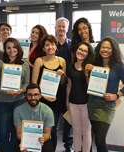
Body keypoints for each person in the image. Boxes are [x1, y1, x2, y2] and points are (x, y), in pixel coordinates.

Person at [85, 37, 124, 152]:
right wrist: (87, 74)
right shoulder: (95, 63)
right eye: (103, 47)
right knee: (95, 138)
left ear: (113, 50)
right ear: (99, 48)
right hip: (92, 104)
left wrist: (116, 95)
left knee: (100, 140)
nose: (105, 50)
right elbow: (90, 86)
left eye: (108, 48)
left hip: (107, 106)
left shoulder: (118, 66)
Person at [0, 38, 30, 152]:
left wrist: (21, 90)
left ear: (18, 49)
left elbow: (27, 83)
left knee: (16, 131)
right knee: (3, 131)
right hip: (2, 102)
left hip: (19, 102)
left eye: (14, 47)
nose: (11, 50)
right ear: (5, 49)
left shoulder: (25, 65)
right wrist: (6, 91)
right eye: (8, 48)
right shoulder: (0, 64)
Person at [32, 34, 66, 151]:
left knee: (53, 128)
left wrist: (62, 75)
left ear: (56, 46)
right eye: (47, 45)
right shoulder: (39, 61)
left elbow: (62, 83)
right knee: (40, 127)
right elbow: (34, 83)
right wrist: (43, 96)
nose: (50, 47)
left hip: (56, 100)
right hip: (41, 100)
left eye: (52, 44)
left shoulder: (62, 61)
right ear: (43, 48)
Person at [66, 42, 94, 152]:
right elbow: (69, 85)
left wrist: (88, 73)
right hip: (73, 103)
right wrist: (67, 101)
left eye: (84, 51)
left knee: (86, 131)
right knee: (76, 131)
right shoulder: (70, 68)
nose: (81, 52)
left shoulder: (90, 68)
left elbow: (93, 87)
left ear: (88, 54)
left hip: (86, 103)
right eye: (80, 49)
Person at [13, 83, 54, 152]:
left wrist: (42, 139)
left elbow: (47, 133)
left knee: (48, 149)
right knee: (17, 149)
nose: (33, 98)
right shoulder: (18, 110)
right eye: (30, 95)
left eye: (36, 95)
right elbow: (19, 134)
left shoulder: (48, 111)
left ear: (40, 95)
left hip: (42, 140)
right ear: (26, 95)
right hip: (24, 139)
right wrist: (25, 143)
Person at [55, 17, 73, 152]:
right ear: (55, 28)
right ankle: (52, 146)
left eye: (63, 26)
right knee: (53, 118)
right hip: (52, 86)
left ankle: (68, 145)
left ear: (67, 29)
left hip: (68, 86)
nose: (61, 28)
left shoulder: (72, 46)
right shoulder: (50, 44)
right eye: (59, 26)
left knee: (68, 118)